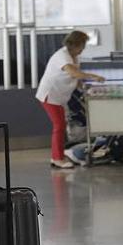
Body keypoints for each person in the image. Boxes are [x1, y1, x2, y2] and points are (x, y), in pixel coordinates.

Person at [36, 30, 105, 169]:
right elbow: (73, 72)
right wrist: (93, 76)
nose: (83, 49)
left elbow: (74, 77)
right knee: (59, 126)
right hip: (50, 96)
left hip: (59, 97)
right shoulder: (62, 56)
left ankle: (59, 155)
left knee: (61, 126)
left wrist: (84, 88)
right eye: (82, 46)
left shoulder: (73, 57)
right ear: (75, 45)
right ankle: (57, 158)